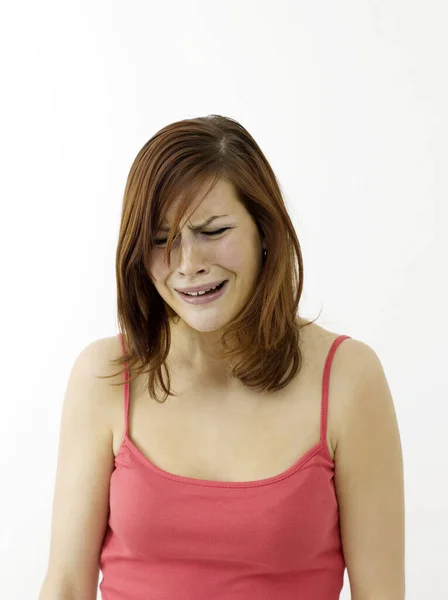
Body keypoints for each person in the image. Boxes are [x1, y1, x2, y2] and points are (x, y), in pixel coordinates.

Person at [39, 114, 405, 600]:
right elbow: (65, 585)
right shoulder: (104, 376)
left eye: (212, 231)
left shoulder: (347, 378)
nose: (188, 264)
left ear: (265, 230)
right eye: (161, 239)